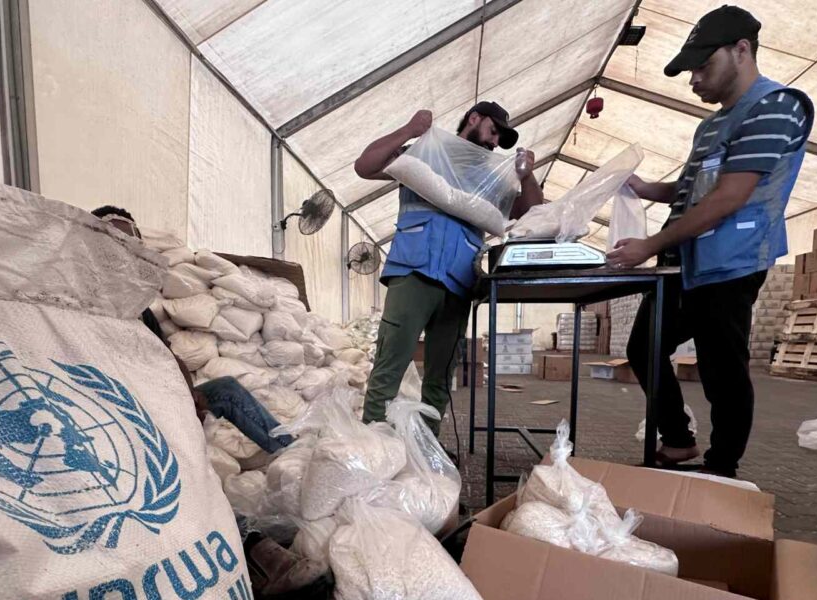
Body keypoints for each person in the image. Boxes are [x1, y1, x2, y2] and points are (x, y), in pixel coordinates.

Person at [607, 5, 814, 478]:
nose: (694, 79)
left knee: (723, 367)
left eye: (703, 66)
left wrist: (647, 243)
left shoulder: (776, 106)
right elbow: (689, 191)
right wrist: (643, 189)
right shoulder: (711, 124)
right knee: (644, 347)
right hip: (684, 259)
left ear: (741, 50)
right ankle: (678, 440)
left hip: (730, 263)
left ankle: (723, 468)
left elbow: (729, 197)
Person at [91, 206, 330, 598]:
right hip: (125, 417)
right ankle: (261, 555)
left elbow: (169, 359)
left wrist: (189, 395)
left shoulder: (140, 312)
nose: (127, 251)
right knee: (191, 481)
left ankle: (293, 456)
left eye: (133, 243)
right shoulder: (82, 306)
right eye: (116, 241)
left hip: (163, 401)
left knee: (226, 390)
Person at [353, 102, 542, 434]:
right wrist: (409, 131)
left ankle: (428, 448)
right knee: (390, 365)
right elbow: (365, 166)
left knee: (440, 375)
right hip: (413, 271)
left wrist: (527, 177)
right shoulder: (425, 153)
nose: (496, 142)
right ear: (474, 118)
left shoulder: (493, 178)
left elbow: (532, 215)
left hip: (459, 281)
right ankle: (373, 447)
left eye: (501, 138)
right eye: (494, 131)